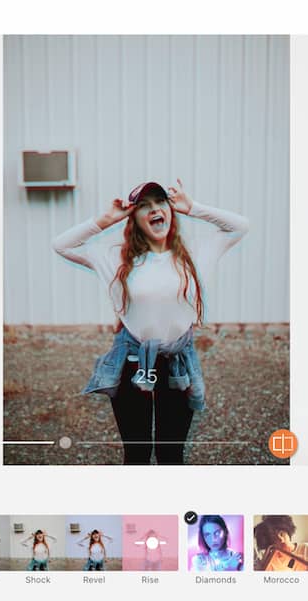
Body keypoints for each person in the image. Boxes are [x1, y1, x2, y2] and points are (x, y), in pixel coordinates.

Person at [53, 178, 249, 465]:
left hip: (177, 362)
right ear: (134, 219)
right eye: (144, 206)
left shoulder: (196, 254)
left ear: (170, 210)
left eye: (160, 202)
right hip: (132, 360)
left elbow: (240, 226)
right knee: (137, 455)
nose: (155, 209)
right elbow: (61, 244)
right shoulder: (115, 257)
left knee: (171, 455)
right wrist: (106, 219)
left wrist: (193, 208)